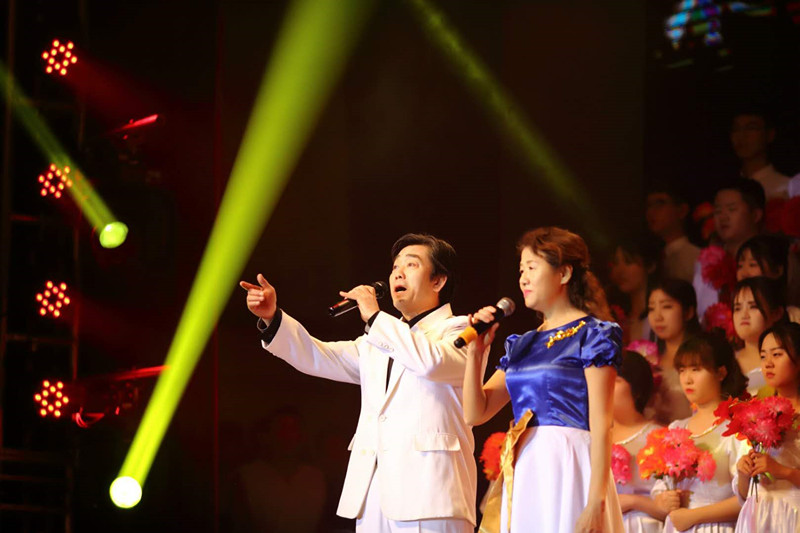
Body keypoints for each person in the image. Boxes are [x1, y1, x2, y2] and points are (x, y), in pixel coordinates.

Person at [240, 233, 476, 533]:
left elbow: (433, 362)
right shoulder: (377, 342)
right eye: (395, 267)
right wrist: (273, 318)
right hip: (373, 494)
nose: (398, 273)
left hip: (432, 495)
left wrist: (375, 317)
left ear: (438, 281)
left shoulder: (461, 329)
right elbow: (317, 355)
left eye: (411, 265)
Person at [462, 226, 624, 533]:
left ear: (564, 273)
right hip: (528, 466)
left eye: (532, 268)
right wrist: (475, 353)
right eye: (521, 270)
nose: (523, 278)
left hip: (572, 461)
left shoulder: (593, 334)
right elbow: (475, 413)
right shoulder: (521, 344)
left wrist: (596, 501)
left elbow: (602, 423)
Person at [652, 333, 748, 533]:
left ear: (720, 373)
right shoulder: (676, 428)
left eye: (696, 369)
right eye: (682, 370)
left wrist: (694, 516)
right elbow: (661, 486)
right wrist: (663, 499)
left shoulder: (735, 429)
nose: (687, 379)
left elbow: (747, 497)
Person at [734, 322, 800, 532]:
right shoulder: (756, 412)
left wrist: (782, 471)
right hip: (758, 516)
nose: (768, 363)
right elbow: (743, 494)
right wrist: (744, 472)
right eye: (763, 356)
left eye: (777, 354)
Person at [693, 179, 765, 323]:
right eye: (718, 211)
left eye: (732, 209)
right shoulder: (707, 261)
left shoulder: (771, 256)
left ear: (756, 215)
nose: (723, 217)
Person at [611, 350, 666, 532]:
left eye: (615, 380)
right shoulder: (592, 437)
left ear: (637, 390)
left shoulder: (658, 437)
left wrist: (633, 501)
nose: (605, 387)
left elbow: (672, 506)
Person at [646, 278, 699, 424]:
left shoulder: (702, 358)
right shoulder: (649, 361)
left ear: (688, 312)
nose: (657, 317)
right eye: (651, 308)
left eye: (666, 307)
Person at [732, 277, 786, 396]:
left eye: (753, 306)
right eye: (737, 308)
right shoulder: (728, 362)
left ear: (776, 313)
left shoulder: (788, 361)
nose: (744, 315)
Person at [730, 108, 791, 201]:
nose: (741, 135)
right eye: (736, 129)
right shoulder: (728, 186)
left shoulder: (786, 188)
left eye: (751, 128)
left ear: (770, 135)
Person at [646, 182, 701, 283]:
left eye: (659, 204)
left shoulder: (696, 258)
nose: (651, 212)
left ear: (682, 211)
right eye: (649, 206)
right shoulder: (653, 258)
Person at [610, 236, 660, 344]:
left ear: (650, 266)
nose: (620, 270)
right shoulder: (614, 315)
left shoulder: (661, 316)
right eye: (616, 263)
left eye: (628, 262)